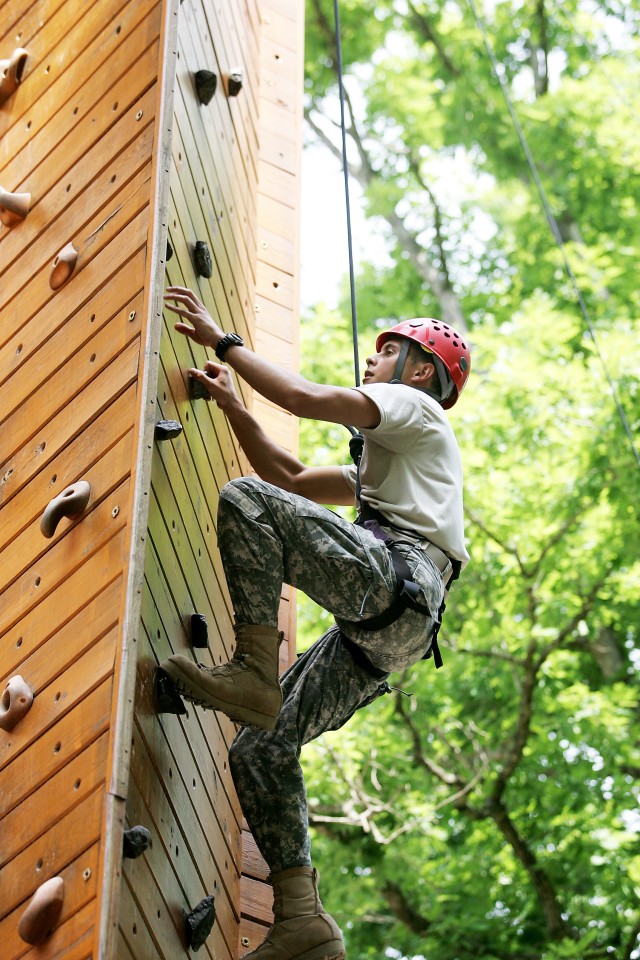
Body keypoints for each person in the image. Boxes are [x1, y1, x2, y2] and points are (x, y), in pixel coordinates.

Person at [159, 286, 470, 960]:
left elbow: (300, 400)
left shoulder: (413, 407)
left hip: (398, 582)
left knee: (246, 501)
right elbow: (294, 476)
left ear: (422, 372)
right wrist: (234, 408)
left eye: (389, 350)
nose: (372, 357)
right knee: (260, 745)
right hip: (390, 633)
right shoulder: (396, 467)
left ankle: (250, 669)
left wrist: (223, 342)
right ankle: (302, 918)